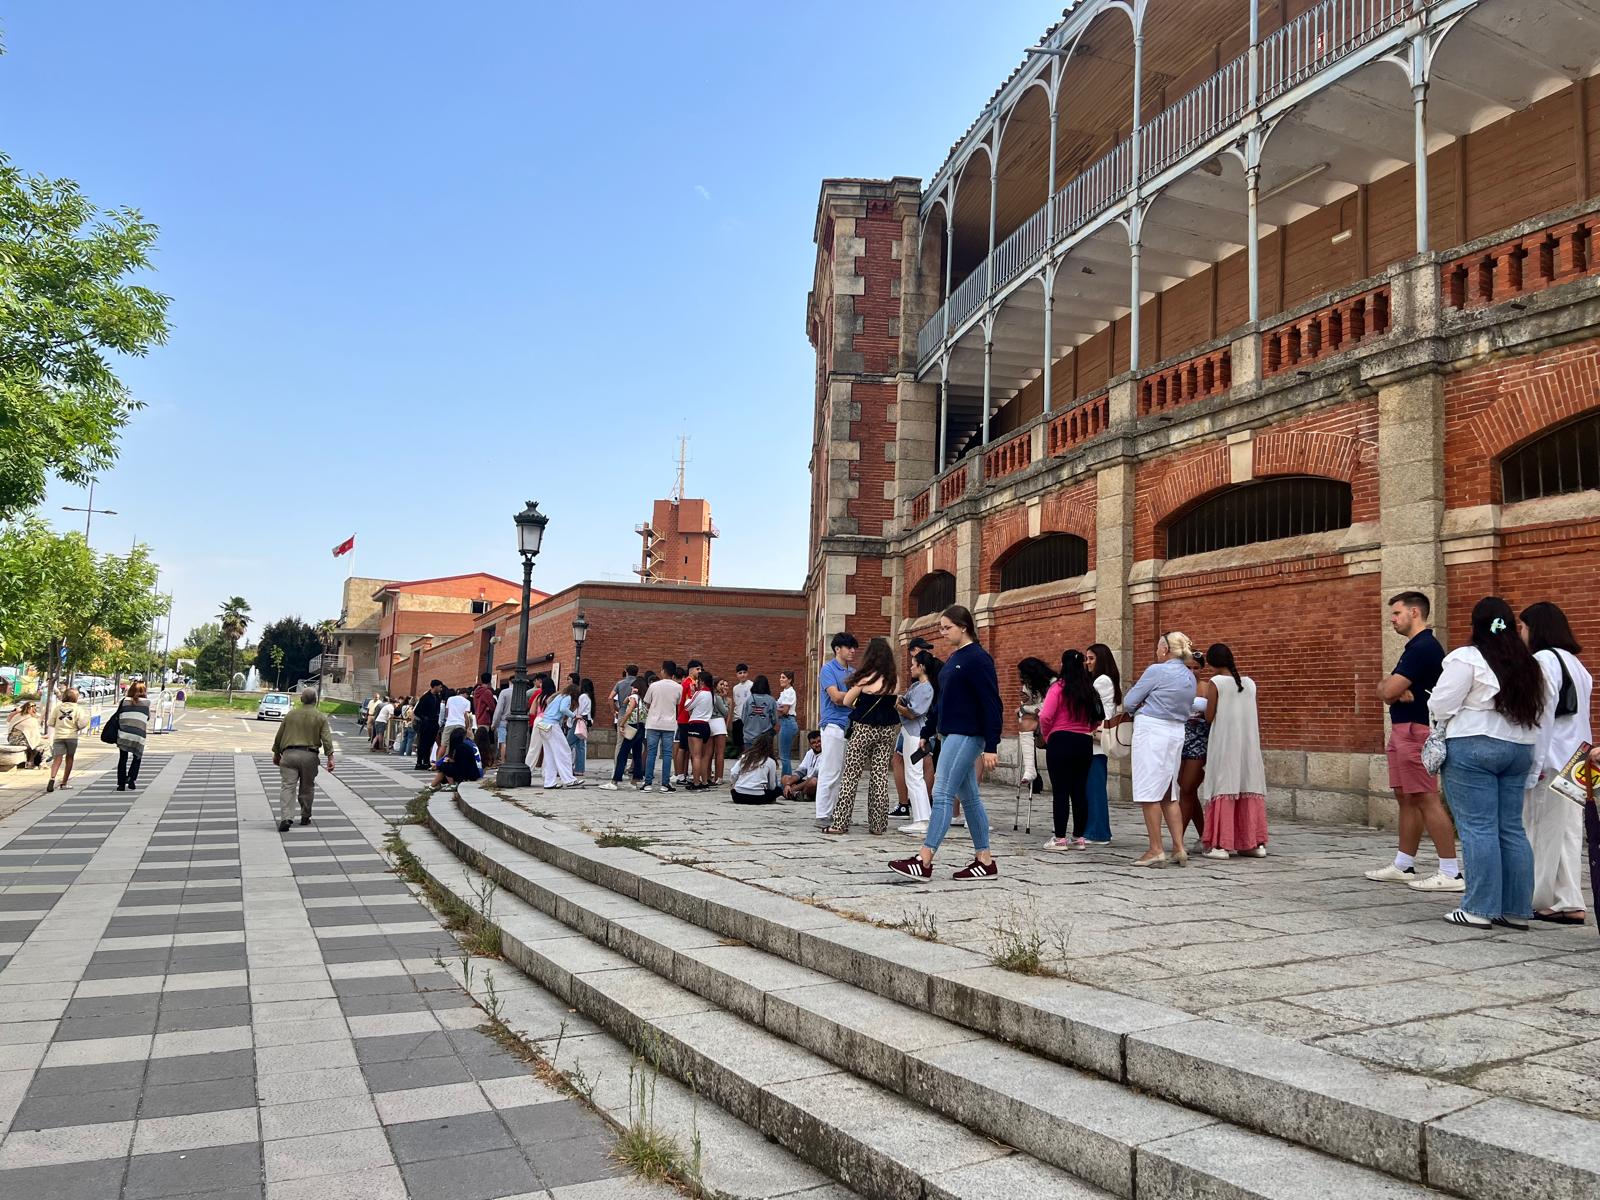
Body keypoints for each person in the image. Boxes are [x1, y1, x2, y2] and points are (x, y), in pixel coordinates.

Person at [1430, 596, 1550, 930]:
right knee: (1510, 828)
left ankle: (1479, 908)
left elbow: (1442, 703)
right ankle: (1515, 909)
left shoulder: (1468, 657)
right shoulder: (1529, 663)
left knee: (1477, 827)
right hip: (1519, 747)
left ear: (1476, 625)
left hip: (1474, 743)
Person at [888, 606, 1002, 881]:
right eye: (940, 627)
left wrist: (992, 745)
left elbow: (992, 703)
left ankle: (924, 860)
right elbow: (943, 699)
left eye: (946, 627)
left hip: (968, 735)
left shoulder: (979, 659)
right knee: (970, 799)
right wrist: (927, 732)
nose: (942, 632)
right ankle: (984, 860)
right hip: (949, 734)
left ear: (963, 626)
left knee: (941, 793)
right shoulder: (954, 659)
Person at [1367, 592, 1461, 891]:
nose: (1392, 619)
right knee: (1405, 797)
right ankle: (1403, 864)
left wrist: (1392, 688)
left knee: (1425, 797)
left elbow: (1387, 689)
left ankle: (1450, 871)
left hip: (1416, 730)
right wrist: (1391, 688)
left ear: (1415, 612)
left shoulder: (1423, 647)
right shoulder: (1413, 648)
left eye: (1397, 613)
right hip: (1402, 728)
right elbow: (1386, 689)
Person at [1519, 601, 1591, 925]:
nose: (1519, 633)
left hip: (1553, 757)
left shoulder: (1542, 661)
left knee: (1542, 830)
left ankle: (1542, 900)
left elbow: (1542, 717)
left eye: (1522, 627)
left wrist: (1533, 767)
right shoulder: (1578, 664)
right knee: (1569, 834)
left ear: (1536, 628)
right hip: (1580, 757)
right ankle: (1570, 901)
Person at [1116, 632, 1199, 867]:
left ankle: (1155, 848)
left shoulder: (1157, 670)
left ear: (1165, 650)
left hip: (1152, 729)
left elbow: (1130, 701)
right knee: (1169, 792)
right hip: (1176, 731)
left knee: (1149, 790)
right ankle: (1179, 847)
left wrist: (1144, 704)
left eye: (1157, 648)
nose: (1156, 652)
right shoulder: (1189, 675)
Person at [1198, 645, 1268, 859]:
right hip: (1248, 745)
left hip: (1225, 743)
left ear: (1211, 662)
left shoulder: (1216, 683)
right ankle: (1253, 843)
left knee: (1224, 784)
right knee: (1247, 783)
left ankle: (1220, 845)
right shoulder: (1249, 683)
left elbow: (1209, 717)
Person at [826, 638, 900, 835]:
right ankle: (878, 825)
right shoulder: (895, 679)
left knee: (851, 775)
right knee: (879, 776)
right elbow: (894, 703)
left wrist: (861, 706)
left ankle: (840, 823)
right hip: (887, 730)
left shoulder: (865, 678)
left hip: (864, 729)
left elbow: (848, 701)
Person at [1039, 650, 1101, 850]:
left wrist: (1048, 735)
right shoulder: (1090, 689)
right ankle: (1079, 837)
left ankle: (1059, 838)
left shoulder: (1058, 687)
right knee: (1079, 791)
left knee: (1061, 791)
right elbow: (1098, 717)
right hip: (1084, 742)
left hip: (1060, 740)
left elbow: (1045, 716)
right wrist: (1086, 730)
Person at [270, 689, 334, 831]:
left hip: (289, 754)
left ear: (301, 699)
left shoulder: (290, 715)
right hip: (309, 756)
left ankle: (286, 817)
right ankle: (305, 815)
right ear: (315, 700)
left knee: (288, 787)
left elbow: (279, 736)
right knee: (307, 787)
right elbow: (326, 739)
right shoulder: (320, 717)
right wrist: (330, 757)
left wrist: (276, 753)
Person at [816, 632, 859, 824]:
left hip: (850, 725)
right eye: (848, 647)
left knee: (843, 773)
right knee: (830, 770)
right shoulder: (828, 669)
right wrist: (852, 697)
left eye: (853, 647)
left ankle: (836, 812)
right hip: (833, 724)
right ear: (837, 649)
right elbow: (835, 696)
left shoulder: (854, 672)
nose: (852, 651)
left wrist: (849, 697)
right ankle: (823, 813)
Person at [1175, 656, 1217, 846]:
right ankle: (1204, 836)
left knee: (1187, 787)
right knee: (1187, 791)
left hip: (1200, 740)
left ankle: (1178, 841)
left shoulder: (1208, 688)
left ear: (1202, 668)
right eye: (1188, 667)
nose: (1192, 671)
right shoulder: (1175, 687)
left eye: (1196, 667)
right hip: (1179, 739)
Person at [1083, 643, 1121, 845]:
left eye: (1091, 658)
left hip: (1096, 742)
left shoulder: (1102, 681)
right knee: (1091, 787)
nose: (1087, 662)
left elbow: (1092, 709)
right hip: (1094, 741)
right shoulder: (1101, 680)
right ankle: (1093, 828)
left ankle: (1098, 832)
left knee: (1095, 788)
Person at [893, 654, 935, 836]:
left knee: (914, 775)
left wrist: (896, 705)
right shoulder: (916, 686)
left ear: (922, 667)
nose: (911, 668)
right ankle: (923, 816)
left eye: (913, 665)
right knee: (913, 775)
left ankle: (922, 819)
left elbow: (912, 713)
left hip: (916, 733)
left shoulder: (927, 688)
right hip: (908, 732)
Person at [1016, 657, 1055, 802]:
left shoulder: (1053, 683)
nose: (1022, 679)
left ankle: (1031, 771)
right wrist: (1025, 703)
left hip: (1052, 723)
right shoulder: (1028, 686)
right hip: (1036, 723)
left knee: (1026, 721)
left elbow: (1046, 708)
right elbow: (1024, 711)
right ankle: (1031, 770)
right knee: (1023, 722)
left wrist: (1025, 708)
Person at [602, 674, 649, 790]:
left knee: (622, 754)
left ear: (636, 687)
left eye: (633, 687)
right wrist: (628, 697)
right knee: (637, 755)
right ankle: (635, 781)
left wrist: (622, 724)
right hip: (641, 727)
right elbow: (624, 702)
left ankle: (615, 781)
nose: (631, 689)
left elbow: (628, 711)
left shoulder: (635, 697)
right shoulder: (643, 699)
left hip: (632, 727)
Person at [641, 665, 683, 792]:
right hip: (669, 724)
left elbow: (647, 702)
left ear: (664, 671)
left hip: (653, 723)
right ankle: (665, 783)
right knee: (667, 754)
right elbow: (678, 703)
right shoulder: (678, 687)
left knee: (651, 753)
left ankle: (648, 783)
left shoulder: (654, 686)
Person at [539, 680, 583, 789]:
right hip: (552, 725)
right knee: (565, 751)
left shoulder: (558, 696)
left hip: (543, 725)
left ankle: (549, 782)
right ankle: (569, 779)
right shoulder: (567, 697)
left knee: (550, 755)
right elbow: (563, 709)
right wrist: (574, 716)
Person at [46, 688, 90, 792]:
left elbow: (50, 723)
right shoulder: (78, 709)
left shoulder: (58, 708)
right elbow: (81, 724)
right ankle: (64, 782)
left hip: (59, 736)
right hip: (71, 736)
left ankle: (52, 778)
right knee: (69, 758)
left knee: (57, 758)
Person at [113, 684, 151, 791]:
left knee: (123, 758)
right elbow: (147, 718)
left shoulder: (124, 701)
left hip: (124, 734)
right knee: (137, 757)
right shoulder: (146, 703)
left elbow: (118, 716)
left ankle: (121, 784)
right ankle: (131, 779)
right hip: (138, 734)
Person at [730, 732, 783, 803]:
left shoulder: (745, 757)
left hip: (738, 796)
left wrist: (734, 783)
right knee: (778, 790)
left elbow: (734, 773)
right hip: (757, 797)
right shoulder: (770, 761)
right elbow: (771, 785)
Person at [684, 669, 716, 789]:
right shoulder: (711, 695)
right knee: (703, 756)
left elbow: (687, 706)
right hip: (706, 725)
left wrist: (691, 694)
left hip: (695, 724)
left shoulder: (700, 693)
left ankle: (696, 782)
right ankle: (704, 781)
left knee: (695, 755)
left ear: (701, 681)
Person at [433, 725, 484, 790]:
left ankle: (447, 785)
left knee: (444, 766)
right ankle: (434, 785)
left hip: (469, 775)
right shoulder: (468, 744)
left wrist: (449, 761)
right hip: (475, 772)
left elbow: (461, 764)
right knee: (444, 768)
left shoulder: (461, 747)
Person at [783, 729, 824, 801]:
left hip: (817, 785)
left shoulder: (826, 754)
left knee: (813, 781)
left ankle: (795, 794)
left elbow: (814, 777)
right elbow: (800, 772)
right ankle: (799, 795)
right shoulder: (809, 753)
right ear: (810, 744)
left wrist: (793, 788)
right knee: (785, 778)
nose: (817, 744)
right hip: (806, 783)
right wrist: (788, 784)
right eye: (813, 743)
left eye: (819, 741)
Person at [412, 680, 444, 771]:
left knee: (429, 744)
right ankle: (419, 763)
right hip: (426, 724)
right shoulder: (425, 697)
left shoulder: (437, 697)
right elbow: (417, 711)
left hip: (434, 724)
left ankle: (426, 762)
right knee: (422, 744)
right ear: (434, 686)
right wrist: (425, 718)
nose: (440, 689)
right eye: (439, 687)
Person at [6, 701, 46, 769]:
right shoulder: (32, 720)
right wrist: (42, 737)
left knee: (31, 743)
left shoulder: (16, 716)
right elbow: (34, 736)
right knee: (44, 744)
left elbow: (8, 720)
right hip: (22, 741)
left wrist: (15, 712)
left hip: (12, 740)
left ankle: (28, 762)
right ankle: (36, 762)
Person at [742, 675, 778, 748]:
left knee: (750, 758)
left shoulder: (748, 700)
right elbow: (774, 720)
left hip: (749, 737)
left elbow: (743, 718)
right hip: (765, 737)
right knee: (764, 759)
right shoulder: (771, 700)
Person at [775, 670, 799, 778]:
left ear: (790, 680)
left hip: (788, 721)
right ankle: (786, 779)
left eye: (784, 677)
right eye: (780, 677)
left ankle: (786, 781)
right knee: (784, 755)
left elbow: (785, 710)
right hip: (785, 722)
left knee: (784, 756)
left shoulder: (790, 692)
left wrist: (774, 708)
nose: (781, 679)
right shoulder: (784, 692)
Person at [569, 677, 594, 775]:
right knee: (580, 746)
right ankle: (579, 769)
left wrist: (571, 716)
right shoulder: (589, 697)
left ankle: (565, 767)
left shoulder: (583, 696)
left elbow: (579, 709)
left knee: (567, 743)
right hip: (584, 722)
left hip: (578, 720)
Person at [709, 678, 731, 785]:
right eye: (721, 684)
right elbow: (726, 712)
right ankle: (719, 777)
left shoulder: (709, 695)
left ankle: (708, 775)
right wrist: (724, 700)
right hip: (718, 722)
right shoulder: (717, 697)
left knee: (709, 753)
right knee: (720, 753)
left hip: (710, 722)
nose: (723, 686)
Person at [731, 664, 753, 755]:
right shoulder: (735, 688)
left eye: (744, 672)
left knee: (747, 741)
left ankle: (748, 758)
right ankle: (741, 759)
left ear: (747, 673)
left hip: (748, 717)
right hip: (738, 717)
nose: (742, 675)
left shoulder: (752, 685)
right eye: (740, 673)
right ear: (737, 675)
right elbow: (736, 703)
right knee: (739, 742)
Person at [472, 672, 497, 737]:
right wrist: (489, 709)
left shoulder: (476, 691)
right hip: (485, 719)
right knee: (483, 740)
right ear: (490, 680)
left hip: (478, 717)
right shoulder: (487, 692)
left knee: (479, 738)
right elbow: (492, 707)